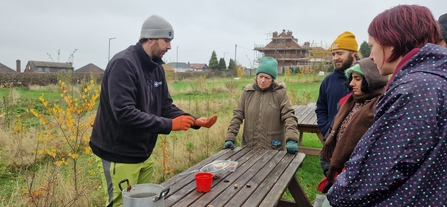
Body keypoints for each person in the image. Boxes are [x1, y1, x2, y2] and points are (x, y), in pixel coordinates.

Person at [89, 15, 217, 207]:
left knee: (144, 204)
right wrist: (169, 125)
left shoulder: (156, 67)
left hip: (143, 153)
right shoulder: (123, 64)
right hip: (119, 153)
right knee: (121, 205)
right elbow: (124, 113)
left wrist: (193, 120)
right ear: (150, 38)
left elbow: (165, 106)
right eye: (166, 41)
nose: (169, 47)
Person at [327, 5, 447, 206]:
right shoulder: (434, 79)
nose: (371, 56)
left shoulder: (416, 89)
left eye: (373, 46)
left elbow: (382, 167)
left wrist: (338, 192)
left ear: (391, 44)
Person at [318, 58, 388, 206]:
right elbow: (333, 135)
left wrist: (346, 177)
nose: (351, 83)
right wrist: (327, 167)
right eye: (351, 79)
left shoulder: (382, 108)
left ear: (371, 80)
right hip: (336, 175)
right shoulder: (347, 102)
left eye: (357, 79)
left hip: (359, 183)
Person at [222, 57, 299, 154]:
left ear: (272, 79)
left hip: (273, 148)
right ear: (256, 76)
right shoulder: (247, 92)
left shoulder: (280, 94)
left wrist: (292, 139)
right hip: (249, 147)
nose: (263, 80)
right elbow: (237, 116)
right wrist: (230, 137)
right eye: (260, 76)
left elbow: (289, 116)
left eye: (267, 78)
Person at [315, 31, 359, 139]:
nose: (335, 58)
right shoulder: (328, 81)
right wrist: (327, 130)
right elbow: (321, 108)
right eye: (333, 54)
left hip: (359, 143)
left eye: (339, 53)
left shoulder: (367, 77)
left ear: (353, 52)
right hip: (332, 143)